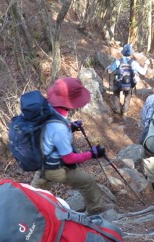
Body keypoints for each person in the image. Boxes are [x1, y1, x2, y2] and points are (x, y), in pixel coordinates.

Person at [30, 76, 107, 215]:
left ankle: (30, 215)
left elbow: (49, 134)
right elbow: (69, 159)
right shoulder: (59, 128)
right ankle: (97, 213)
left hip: (41, 164)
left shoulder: (47, 110)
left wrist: (71, 127)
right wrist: (93, 154)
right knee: (87, 182)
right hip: (55, 169)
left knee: (33, 197)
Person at [106, 43, 148, 114]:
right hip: (129, 85)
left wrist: (109, 69)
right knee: (128, 96)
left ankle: (117, 109)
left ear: (122, 53)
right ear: (131, 54)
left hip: (118, 84)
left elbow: (110, 71)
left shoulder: (118, 62)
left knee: (116, 93)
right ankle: (124, 111)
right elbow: (143, 72)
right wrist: (146, 64)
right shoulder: (134, 63)